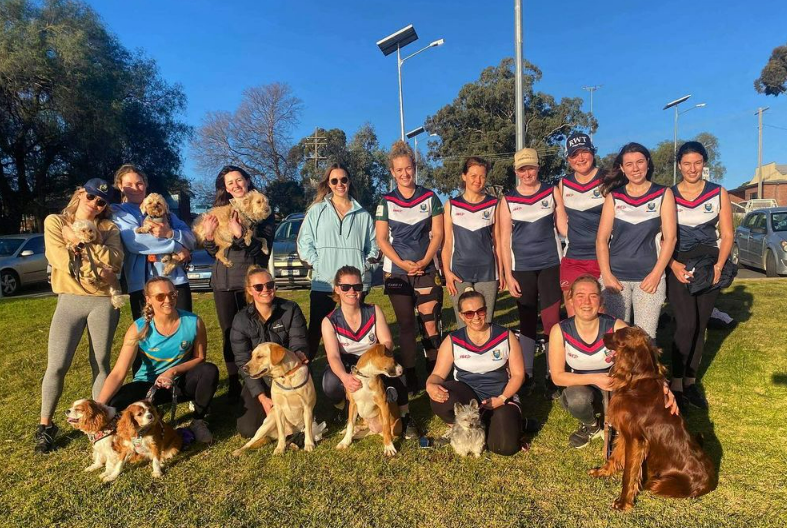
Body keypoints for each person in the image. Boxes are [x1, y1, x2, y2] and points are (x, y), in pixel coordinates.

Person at [37, 179, 124, 453]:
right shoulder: (55, 222)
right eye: (91, 196)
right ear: (80, 193)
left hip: (103, 302)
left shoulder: (109, 228)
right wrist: (95, 264)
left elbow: (116, 260)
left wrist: (80, 244)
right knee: (58, 365)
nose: (94, 204)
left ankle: (99, 425)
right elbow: (59, 258)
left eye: (101, 202)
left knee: (100, 362)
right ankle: (46, 425)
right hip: (70, 299)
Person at [97, 277, 218, 443]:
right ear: (148, 299)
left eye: (172, 294)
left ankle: (198, 421)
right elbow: (119, 373)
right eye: (160, 296)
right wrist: (100, 406)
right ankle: (124, 432)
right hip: (148, 387)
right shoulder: (138, 328)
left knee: (209, 370)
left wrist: (172, 371)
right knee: (116, 401)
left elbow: (200, 357)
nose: (168, 300)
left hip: (178, 383)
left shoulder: (194, 322)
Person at [200, 165, 276, 402]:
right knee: (228, 334)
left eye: (238, 180)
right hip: (222, 282)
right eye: (229, 182)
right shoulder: (220, 211)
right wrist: (210, 236)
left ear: (247, 180)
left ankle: (258, 380)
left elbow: (261, 253)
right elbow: (212, 250)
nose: (235, 185)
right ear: (225, 188)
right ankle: (235, 382)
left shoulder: (262, 207)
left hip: (249, 281)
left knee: (254, 330)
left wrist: (240, 233)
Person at [668, 141, 733, 412]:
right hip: (680, 264)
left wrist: (719, 266)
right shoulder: (668, 195)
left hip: (709, 264)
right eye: (686, 163)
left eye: (697, 162)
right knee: (685, 325)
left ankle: (691, 382)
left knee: (700, 326)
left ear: (704, 163)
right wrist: (672, 265)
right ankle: (675, 384)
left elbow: (728, 234)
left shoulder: (718, 192)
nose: (692, 168)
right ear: (679, 165)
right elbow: (661, 236)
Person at [375, 140, 444, 393]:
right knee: (405, 325)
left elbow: (437, 234)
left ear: (414, 167)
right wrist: (403, 263)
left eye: (408, 168)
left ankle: (434, 374)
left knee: (430, 323)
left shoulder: (430, 197)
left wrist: (425, 261)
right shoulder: (385, 202)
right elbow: (382, 239)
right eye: (399, 170)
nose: (405, 174)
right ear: (392, 172)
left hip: (426, 269)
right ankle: (411, 375)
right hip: (397, 273)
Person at [498, 148, 567, 398]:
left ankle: (552, 373)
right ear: (516, 171)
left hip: (551, 265)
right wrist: (507, 274)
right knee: (526, 321)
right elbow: (504, 240)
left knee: (551, 321)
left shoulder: (551, 191)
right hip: (522, 269)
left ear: (539, 168)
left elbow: (563, 226)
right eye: (522, 169)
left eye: (531, 168)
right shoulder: (507, 200)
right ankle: (525, 373)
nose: (527, 173)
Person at [426, 289, 525, 456]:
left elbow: (518, 375)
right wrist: (430, 384)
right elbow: (438, 375)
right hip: (467, 396)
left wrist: (502, 399)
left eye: (480, 311)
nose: (476, 317)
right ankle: (460, 428)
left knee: (504, 447)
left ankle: (515, 423)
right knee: (440, 396)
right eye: (469, 313)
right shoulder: (453, 340)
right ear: (462, 315)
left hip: (500, 396)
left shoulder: (506, 336)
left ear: (486, 309)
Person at [321, 266, 415, 437]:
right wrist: (344, 377)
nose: (352, 291)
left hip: (373, 358)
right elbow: (333, 356)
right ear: (337, 289)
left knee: (397, 370)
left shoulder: (373, 310)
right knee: (330, 382)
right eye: (345, 287)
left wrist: (375, 363)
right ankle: (344, 409)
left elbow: (387, 341)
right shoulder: (329, 321)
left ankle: (405, 416)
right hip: (349, 363)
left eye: (357, 287)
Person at [297, 162, 378, 360]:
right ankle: (305, 375)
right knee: (315, 330)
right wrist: (319, 264)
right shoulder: (316, 211)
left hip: (354, 286)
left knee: (354, 332)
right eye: (334, 180)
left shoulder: (364, 215)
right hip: (324, 283)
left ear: (349, 182)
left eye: (344, 179)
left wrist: (365, 266)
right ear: (329, 184)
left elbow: (375, 248)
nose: (340, 184)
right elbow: (304, 244)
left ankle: (353, 372)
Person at [596, 142, 677, 338]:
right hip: (615, 279)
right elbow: (601, 239)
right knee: (616, 339)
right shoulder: (614, 197)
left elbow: (671, 238)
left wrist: (657, 274)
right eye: (629, 164)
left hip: (649, 279)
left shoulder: (663, 194)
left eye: (640, 162)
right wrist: (606, 275)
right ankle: (617, 371)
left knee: (645, 338)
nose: (635, 168)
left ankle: (645, 371)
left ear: (647, 164)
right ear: (622, 168)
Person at [548, 275, 627, 448]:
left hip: (615, 387)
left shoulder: (616, 327)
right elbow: (557, 377)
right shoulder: (560, 330)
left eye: (593, 296)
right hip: (582, 387)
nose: (586, 302)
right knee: (576, 399)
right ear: (570, 299)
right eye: (580, 295)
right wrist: (596, 378)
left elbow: (642, 357)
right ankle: (592, 425)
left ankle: (620, 427)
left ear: (601, 300)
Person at [230, 266, 309, 438]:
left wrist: (300, 356)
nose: (266, 290)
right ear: (250, 291)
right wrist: (262, 398)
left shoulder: (290, 309)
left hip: (288, 374)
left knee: (302, 416)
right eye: (259, 287)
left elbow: (299, 343)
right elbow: (243, 360)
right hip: (260, 377)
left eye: (270, 285)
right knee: (248, 429)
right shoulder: (241, 320)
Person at [111, 164, 195, 324]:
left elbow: (191, 238)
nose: (135, 188)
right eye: (128, 185)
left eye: (139, 183)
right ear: (120, 187)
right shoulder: (118, 212)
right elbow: (135, 242)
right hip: (142, 284)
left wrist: (172, 233)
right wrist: (177, 246)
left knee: (183, 329)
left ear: (146, 184)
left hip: (175, 280)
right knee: (148, 336)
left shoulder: (167, 213)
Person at [442, 157, 502, 328]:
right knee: (464, 324)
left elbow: (498, 242)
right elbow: (447, 243)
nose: (478, 180)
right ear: (464, 176)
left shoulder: (494, 204)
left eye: (482, 176)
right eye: (473, 175)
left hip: (488, 272)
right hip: (459, 272)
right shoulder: (452, 205)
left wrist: (502, 273)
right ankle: (464, 354)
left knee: (485, 322)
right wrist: (447, 272)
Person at [559, 133, 606, 315]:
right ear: (568, 159)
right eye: (574, 154)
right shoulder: (564, 183)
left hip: (602, 258)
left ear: (592, 152)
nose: (580, 158)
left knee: (599, 312)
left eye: (584, 152)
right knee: (573, 312)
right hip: (573, 258)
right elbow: (562, 221)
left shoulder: (607, 179)